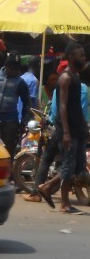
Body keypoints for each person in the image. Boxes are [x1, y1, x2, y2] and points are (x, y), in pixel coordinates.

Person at [38, 44, 88, 214]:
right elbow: (63, 107)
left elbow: (77, 107)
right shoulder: (65, 77)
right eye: (80, 55)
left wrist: (83, 127)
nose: (84, 57)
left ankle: (47, 186)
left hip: (77, 129)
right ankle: (65, 204)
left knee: (78, 166)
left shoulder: (75, 76)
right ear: (71, 57)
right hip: (66, 130)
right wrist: (66, 132)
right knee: (68, 166)